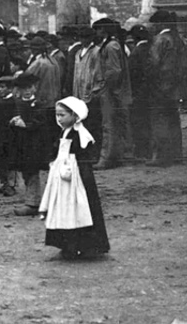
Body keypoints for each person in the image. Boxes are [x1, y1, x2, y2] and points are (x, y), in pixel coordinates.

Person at [39, 96, 110, 259]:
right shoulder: (63, 132)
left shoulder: (81, 134)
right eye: (57, 115)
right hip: (62, 179)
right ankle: (67, 246)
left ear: (74, 115)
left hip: (76, 178)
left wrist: (73, 167)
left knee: (81, 209)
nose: (59, 118)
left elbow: (85, 156)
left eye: (62, 115)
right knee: (63, 210)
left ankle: (89, 247)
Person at [148, 10, 187, 166]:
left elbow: (153, 64)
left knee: (160, 120)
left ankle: (161, 156)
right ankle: (176, 154)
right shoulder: (180, 40)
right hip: (175, 86)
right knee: (173, 120)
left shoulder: (160, 40)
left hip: (160, 86)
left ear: (161, 23)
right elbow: (185, 65)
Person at [10, 73, 53, 216]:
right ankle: (32, 199)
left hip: (35, 144)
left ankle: (33, 203)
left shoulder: (39, 104)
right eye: (24, 88)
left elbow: (40, 123)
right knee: (25, 172)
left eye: (30, 87)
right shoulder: (17, 104)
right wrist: (13, 122)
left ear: (35, 88)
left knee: (33, 171)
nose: (27, 91)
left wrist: (26, 125)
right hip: (21, 144)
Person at [92, 18, 132, 169]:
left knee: (108, 125)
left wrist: (105, 87)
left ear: (104, 29)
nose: (96, 32)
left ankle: (106, 158)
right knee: (114, 124)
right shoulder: (113, 44)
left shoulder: (111, 46)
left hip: (109, 92)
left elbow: (114, 71)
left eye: (98, 29)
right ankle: (116, 156)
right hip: (112, 91)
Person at [128, 25, 152, 160]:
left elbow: (133, 73)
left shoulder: (136, 52)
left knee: (139, 121)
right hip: (150, 90)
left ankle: (141, 151)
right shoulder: (150, 48)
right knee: (148, 121)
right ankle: (148, 149)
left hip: (138, 91)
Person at [0, 75, 18, 196]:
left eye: (3, 87)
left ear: (10, 88)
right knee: (0, 159)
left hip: (9, 136)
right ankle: (4, 182)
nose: (0, 90)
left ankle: (11, 185)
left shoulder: (13, 102)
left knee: (10, 160)